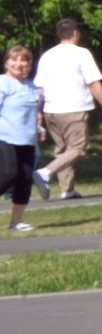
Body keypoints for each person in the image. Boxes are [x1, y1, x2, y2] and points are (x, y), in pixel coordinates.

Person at [32, 19, 102, 200]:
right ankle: (45, 172)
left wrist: (38, 111)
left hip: (51, 110)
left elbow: (40, 88)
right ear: (76, 33)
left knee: (63, 150)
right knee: (78, 148)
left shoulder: (47, 56)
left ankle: (67, 190)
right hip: (74, 108)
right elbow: (92, 82)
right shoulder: (81, 54)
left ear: (58, 34)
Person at [1, 46, 43, 232]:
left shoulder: (32, 87)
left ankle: (16, 222)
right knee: (8, 174)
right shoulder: (3, 83)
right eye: (14, 60)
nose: (19, 64)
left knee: (24, 180)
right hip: (5, 138)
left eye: (23, 60)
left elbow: (32, 114)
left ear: (29, 64)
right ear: (6, 63)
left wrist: (39, 128)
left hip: (27, 140)